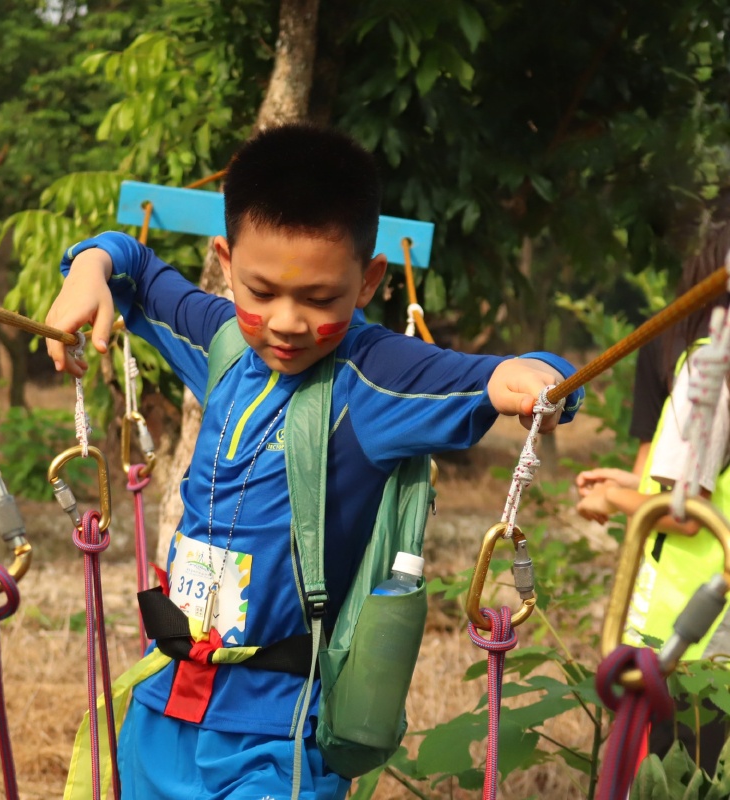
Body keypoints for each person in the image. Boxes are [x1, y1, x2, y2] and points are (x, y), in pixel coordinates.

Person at [44, 123, 584, 799]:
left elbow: (534, 374)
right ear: (226, 261)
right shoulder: (221, 340)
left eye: (320, 298)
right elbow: (131, 262)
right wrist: (90, 266)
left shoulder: (377, 376)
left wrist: (534, 380)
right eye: (262, 292)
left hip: (279, 739)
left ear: (368, 281)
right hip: (161, 706)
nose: (287, 323)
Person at [575, 216, 730, 777]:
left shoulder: (711, 367)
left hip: (689, 640)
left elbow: (684, 516)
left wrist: (614, 502)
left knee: (669, 779)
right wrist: (628, 484)